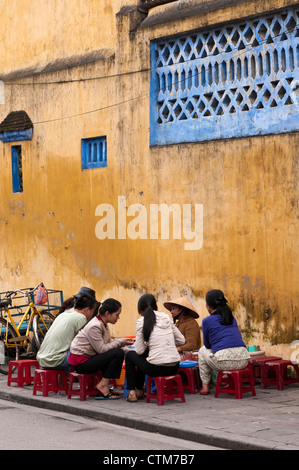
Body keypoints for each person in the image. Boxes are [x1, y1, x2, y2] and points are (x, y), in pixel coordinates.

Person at [68, 298, 134, 400]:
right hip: (81, 363)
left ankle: (104, 384)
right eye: (117, 315)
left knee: (118, 352)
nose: (118, 317)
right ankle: (103, 385)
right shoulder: (95, 326)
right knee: (118, 354)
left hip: (88, 358)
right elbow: (102, 350)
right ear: (107, 313)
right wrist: (121, 342)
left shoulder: (103, 324)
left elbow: (109, 344)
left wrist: (131, 352)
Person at [125, 294, 185, 403]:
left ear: (141, 310)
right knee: (142, 357)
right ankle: (139, 390)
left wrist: (149, 345)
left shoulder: (141, 322)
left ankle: (133, 393)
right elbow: (181, 341)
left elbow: (139, 350)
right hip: (174, 366)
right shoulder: (166, 317)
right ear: (155, 306)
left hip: (156, 368)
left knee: (130, 355)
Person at [198, 289, 250, 395]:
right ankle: (231, 383)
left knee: (202, 350)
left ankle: (205, 386)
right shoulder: (231, 317)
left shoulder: (207, 321)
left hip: (224, 362)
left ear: (208, 306)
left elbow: (207, 345)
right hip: (244, 359)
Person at [36, 287, 99, 373]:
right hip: (55, 361)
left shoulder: (64, 314)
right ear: (87, 309)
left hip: (42, 358)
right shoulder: (81, 318)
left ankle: (62, 379)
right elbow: (80, 343)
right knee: (85, 354)